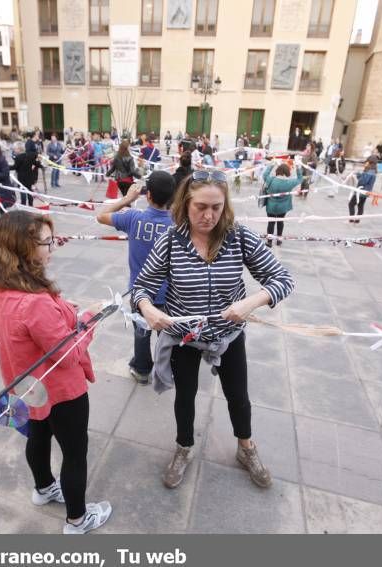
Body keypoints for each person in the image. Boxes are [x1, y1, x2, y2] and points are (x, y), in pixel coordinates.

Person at [132, 170, 295, 489]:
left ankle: (246, 449)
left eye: (216, 207)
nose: (208, 215)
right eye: (200, 207)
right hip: (185, 338)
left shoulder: (239, 236)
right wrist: (148, 309)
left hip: (228, 334)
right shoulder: (171, 240)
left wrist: (249, 304)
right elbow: (141, 288)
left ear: (226, 206)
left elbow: (282, 280)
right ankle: (184, 447)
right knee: (186, 396)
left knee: (239, 395)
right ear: (185, 204)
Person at [0, 211, 113, 534]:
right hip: (60, 389)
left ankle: (43, 488)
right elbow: (67, 354)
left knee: (38, 435)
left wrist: (64, 313)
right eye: (46, 243)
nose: (52, 248)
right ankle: (78, 520)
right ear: (23, 247)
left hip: (25, 385)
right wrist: (88, 320)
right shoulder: (33, 301)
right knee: (74, 451)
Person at [97, 172, 176, 383]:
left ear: (147, 195)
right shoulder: (178, 224)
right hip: (170, 292)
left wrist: (127, 199)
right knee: (167, 333)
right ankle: (166, 369)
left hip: (140, 292)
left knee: (142, 332)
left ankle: (142, 370)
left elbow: (101, 215)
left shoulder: (133, 218)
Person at [262, 161, 301, 247]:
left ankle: (269, 241)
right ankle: (279, 240)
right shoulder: (289, 183)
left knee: (271, 223)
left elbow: (264, 175)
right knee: (280, 222)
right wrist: (298, 167)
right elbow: (300, 179)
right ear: (287, 172)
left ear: (278, 170)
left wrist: (272, 164)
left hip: (271, 205)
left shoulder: (271, 180)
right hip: (283, 207)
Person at [13, 141, 41, 208]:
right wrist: (39, 162)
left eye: (15, 149)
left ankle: (23, 205)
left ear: (19, 149)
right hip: (29, 177)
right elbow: (37, 164)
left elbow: (15, 167)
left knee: (23, 192)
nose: (14, 150)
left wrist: (6, 167)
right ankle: (31, 205)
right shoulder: (30, 156)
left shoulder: (18, 157)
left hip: (21, 178)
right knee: (29, 191)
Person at [349, 158, 376, 223]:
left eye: (366, 162)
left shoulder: (369, 173)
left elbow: (363, 182)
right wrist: (359, 174)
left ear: (369, 163)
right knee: (360, 205)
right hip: (366, 192)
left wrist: (357, 176)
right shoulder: (371, 172)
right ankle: (357, 220)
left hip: (361, 191)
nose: (365, 164)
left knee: (351, 204)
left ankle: (352, 219)